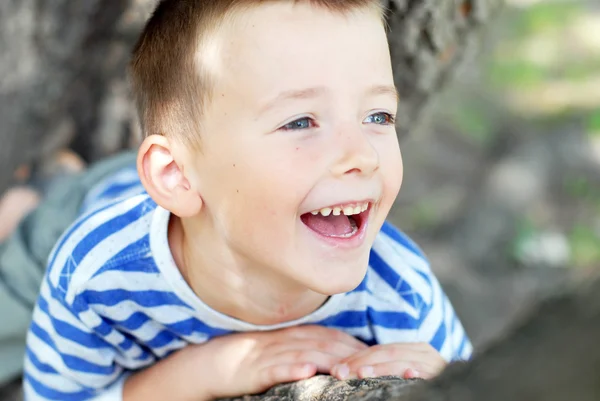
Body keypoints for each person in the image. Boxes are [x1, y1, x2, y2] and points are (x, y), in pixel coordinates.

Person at [21, 1, 473, 400]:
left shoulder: (403, 297)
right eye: (300, 122)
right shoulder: (96, 273)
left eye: (378, 115)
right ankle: (34, 196)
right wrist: (202, 373)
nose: (362, 155)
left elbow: (474, 378)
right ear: (177, 174)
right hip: (90, 209)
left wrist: (444, 382)